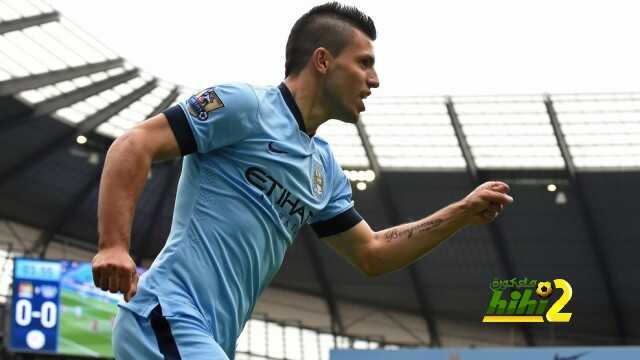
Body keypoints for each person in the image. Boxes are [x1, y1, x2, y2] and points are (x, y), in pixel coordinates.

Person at [92, 2, 514, 359]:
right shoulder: (245, 106)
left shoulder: (324, 169)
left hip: (212, 338)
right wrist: (114, 244)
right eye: (364, 62)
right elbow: (133, 144)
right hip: (166, 314)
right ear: (324, 60)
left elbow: (372, 252)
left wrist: (461, 213)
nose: (375, 80)